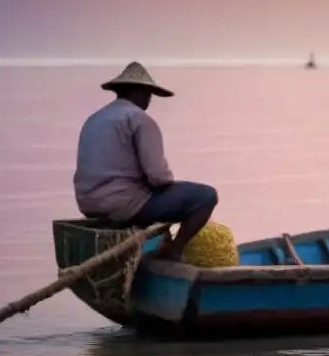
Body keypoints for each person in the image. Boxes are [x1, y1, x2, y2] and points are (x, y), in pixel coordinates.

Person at [73, 62, 219, 261]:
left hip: (88, 204)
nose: (148, 100)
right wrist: (166, 185)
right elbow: (159, 177)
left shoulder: (94, 119)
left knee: (154, 193)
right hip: (123, 206)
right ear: (139, 92)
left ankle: (153, 246)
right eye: (148, 94)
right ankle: (174, 251)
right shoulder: (140, 119)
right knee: (206, 196)